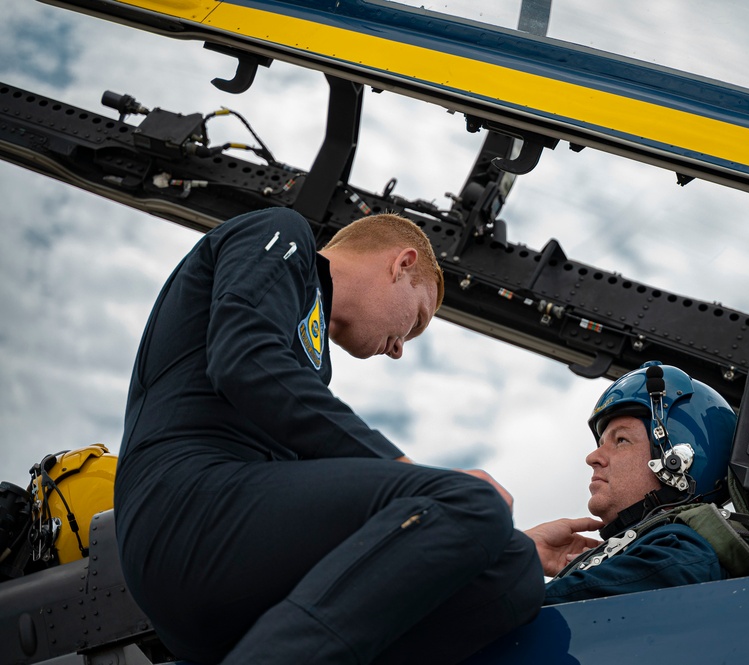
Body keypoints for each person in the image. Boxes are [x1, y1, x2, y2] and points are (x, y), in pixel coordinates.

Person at [113, 207, 543, 665]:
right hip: (184, 508)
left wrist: (475, 543)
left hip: (239, 569)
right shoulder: (280, 231)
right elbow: (244, 358)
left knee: (513, 571)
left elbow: (315, 500)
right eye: (414, 322)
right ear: (402, 264)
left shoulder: (314, 364)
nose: (399, 348)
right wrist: (405, 474)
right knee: (471, 500)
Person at [525, 361, 749, 604]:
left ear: (678, 460)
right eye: (601, 444)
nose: (593, 458)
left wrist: (515, 556)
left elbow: (506, 619)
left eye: (621, 440)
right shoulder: (669, 558)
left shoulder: (677, 558)